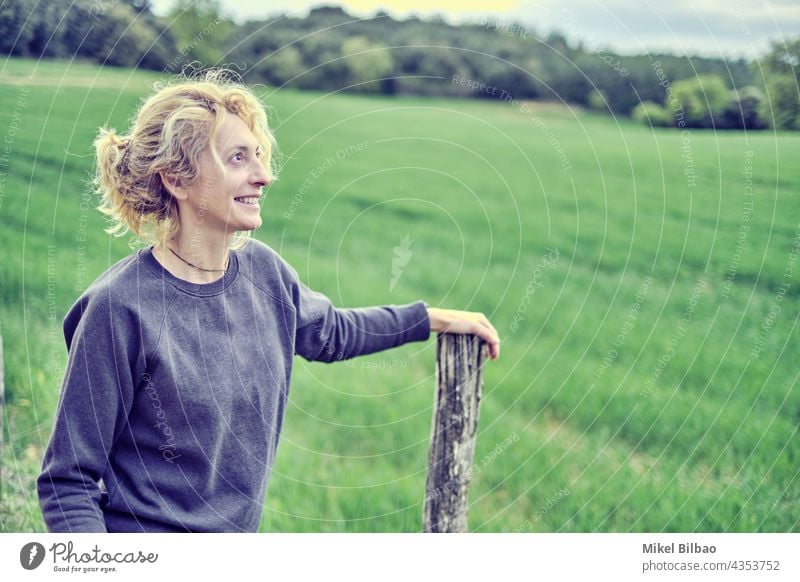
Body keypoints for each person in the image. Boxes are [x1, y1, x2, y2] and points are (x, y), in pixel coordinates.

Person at [37, 71, 500, 533]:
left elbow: (332, 332)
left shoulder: (265, 273)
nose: (264, 175)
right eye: (238, 158)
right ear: (177, 179)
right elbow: (67, 480)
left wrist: (433, 318)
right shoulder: (119, 309)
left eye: (258, 155)